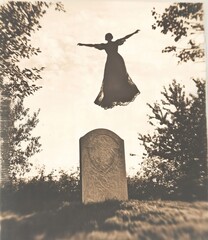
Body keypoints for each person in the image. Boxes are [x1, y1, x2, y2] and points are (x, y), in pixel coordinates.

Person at [78, 30, 140, 109]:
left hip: (115, 60)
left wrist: (134, 33)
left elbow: (125, 37)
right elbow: (93, 45)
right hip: (113, 61)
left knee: (118, 76)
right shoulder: (110, 44)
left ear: (107, 38)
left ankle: (122, 90)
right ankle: (115, 92)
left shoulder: (110, 44)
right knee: (110, 78)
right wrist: (83, 44)